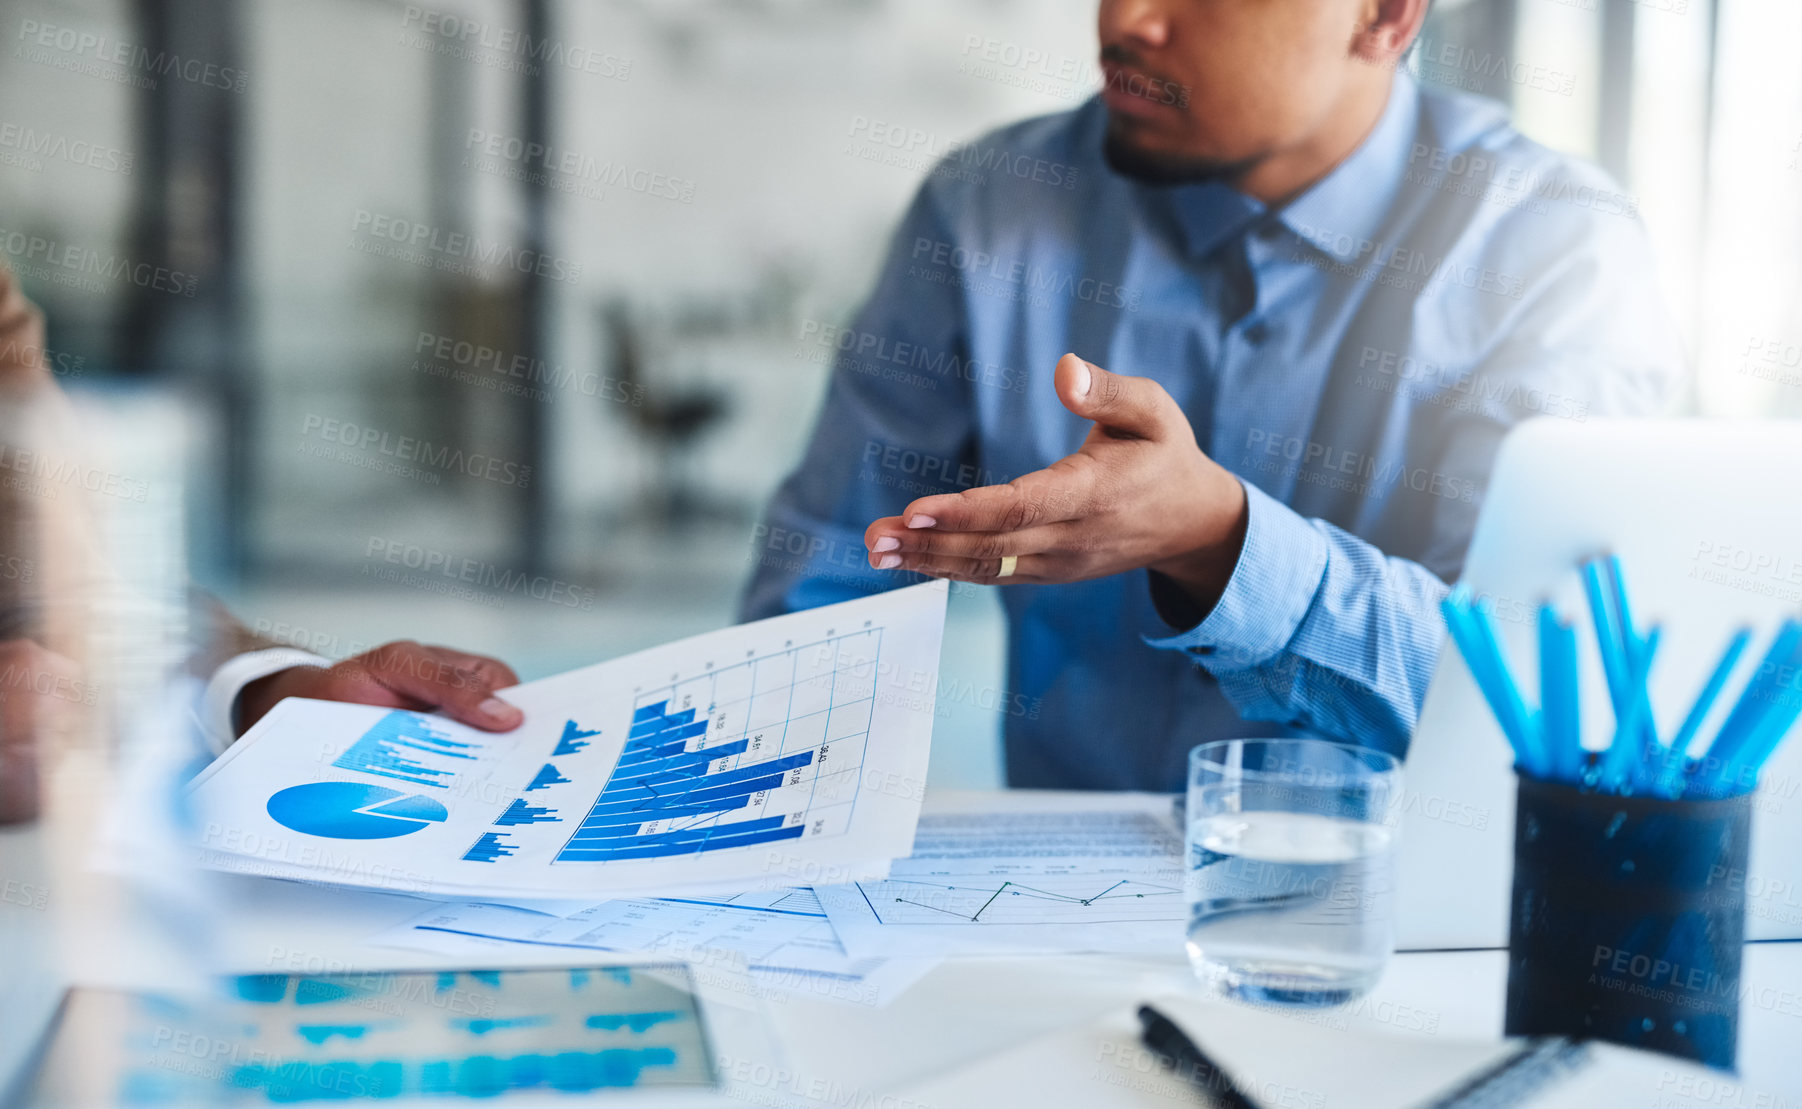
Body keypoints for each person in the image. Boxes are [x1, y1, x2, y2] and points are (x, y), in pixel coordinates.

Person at [741, 0, 1682, 790]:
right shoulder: (986, 208)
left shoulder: (1556, 254)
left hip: (1393, 949)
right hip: (1048, 936)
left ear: (1385, 15)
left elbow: (1537, 696)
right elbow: (825, 583)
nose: (1129, 20)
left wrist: (1224, 544)